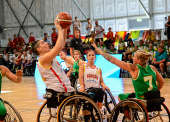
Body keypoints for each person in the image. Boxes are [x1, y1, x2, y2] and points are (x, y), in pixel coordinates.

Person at [91, 42, 164, 103]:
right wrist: (153, 92)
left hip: (141, 100)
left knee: (121, 96)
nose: (132, 58)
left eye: (134, 57)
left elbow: (113, 60)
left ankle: (128, 118)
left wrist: (99, 51)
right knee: (131, 95)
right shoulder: (153, 68)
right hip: (153, 99)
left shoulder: (134, 69)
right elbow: (162, 82)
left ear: (139, 61)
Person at [31, 20, 74, 106]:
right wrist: (59, 29)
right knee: (88, 99)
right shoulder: (43, 59)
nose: (47, 43)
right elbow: (59, 46)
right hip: (60, 89)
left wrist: (64, 29)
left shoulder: (48, 56)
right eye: (43, 43)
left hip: (63, 88)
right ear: (39, 49)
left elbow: (61, 44)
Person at [79, 49, 109, 114]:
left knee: (100, 90)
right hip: (87, 90)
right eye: (89, 55)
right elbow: (80, 78)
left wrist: (104, 85)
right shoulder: (83, 67)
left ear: (95, 57)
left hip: (96, 89)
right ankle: (94, 109)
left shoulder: (98, 69)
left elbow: (101, 81)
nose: (91, 56)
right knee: (95, 91)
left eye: (93, 55)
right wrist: (81, 86)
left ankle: (99, 110)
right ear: (87, 57)